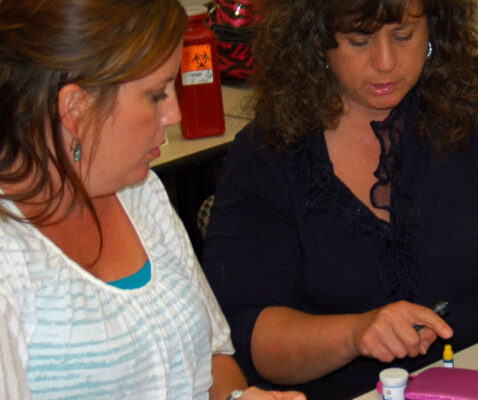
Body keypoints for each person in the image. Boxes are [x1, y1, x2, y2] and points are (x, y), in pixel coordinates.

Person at [201, 0, 478, 398]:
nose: (386, 62)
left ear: (433, 24)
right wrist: (354, 334)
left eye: (404, 35)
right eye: (359, 41)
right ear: (315, 39)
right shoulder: (268, 151)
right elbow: (246, 337)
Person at [0, 1, 306, 399]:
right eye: (156, 95)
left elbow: (213, 356)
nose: (175, 113)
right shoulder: (11, 258)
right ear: (75, 107)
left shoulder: (137, 190)